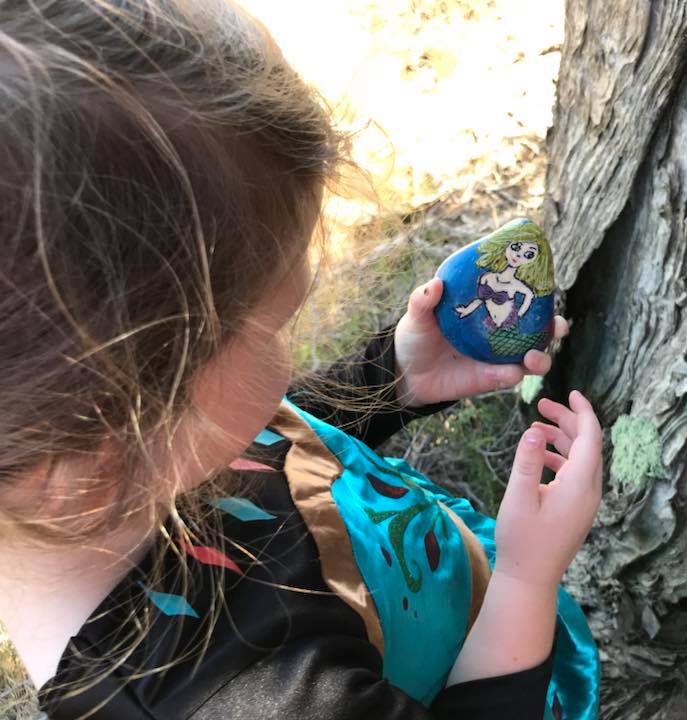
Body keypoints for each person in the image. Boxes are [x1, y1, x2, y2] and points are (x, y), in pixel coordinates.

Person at [0, 2, 603, 718]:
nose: (287, 351)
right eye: (273, 328)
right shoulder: (220, 699)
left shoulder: (128, 460)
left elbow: (269, 448)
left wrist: (393, 379)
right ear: (111, 430)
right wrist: (527, 581)